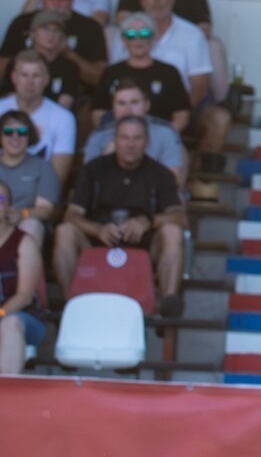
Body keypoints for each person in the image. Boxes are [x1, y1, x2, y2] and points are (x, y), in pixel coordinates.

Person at [54, 115, 187, 317]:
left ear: (147, 142)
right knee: (64, 231)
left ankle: (168, 303)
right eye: (124, 138)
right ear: (115, 140)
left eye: (136, 138)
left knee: (173, 231)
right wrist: (98, 229)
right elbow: (71, 215)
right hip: (97, 244)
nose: (130, 145)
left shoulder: (161, 174)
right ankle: (70, 304)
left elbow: (179, 217)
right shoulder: (93, 170)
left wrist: (149, 221)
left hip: (144, 246)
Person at [110, 0, 231, 165]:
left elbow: (199, 85)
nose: (157, 0)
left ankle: (201, 182)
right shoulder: (125, 33)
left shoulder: (192, 34)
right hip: (130, 110)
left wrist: (179, 114)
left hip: (180, 108)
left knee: (219, 118)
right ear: (142, 0)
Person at [117, 0, 231, 103]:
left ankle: (221, 101)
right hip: (141, 41)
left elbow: (204, 28)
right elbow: (121, 20)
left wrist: (178, 37)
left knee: (213, 45)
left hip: (181, 45)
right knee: (112, 33)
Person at [0, 0, 108, 88]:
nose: (57, 4)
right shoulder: (22, 23)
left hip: (75, 99)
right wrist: (34, 52)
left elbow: (100, 78)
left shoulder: (90, 27)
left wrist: (68, 54)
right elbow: (1, 71)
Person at [93, 13, 191, 131]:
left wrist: (164, 139)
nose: (138, 39)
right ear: (123, 40)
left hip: (160, 139)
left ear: (153, 38)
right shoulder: (111, 72)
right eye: (131, 34)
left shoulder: (169, 72)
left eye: (145, 33)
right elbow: (98, 114)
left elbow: (181, 115)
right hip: (119, 140)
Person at [84, 79, 186, 189]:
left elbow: (172, 183)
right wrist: (107, 158)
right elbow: (88, 184)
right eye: (121, 103)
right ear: (113, 108)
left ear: (147, 105)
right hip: (109, 200)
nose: (128, 110)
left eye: (134, 102)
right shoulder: (99, 136)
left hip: (154, 198)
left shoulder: (166, 133)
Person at [0, 50, 77, 186]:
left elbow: (56, 181)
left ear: (46, 79)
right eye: (24, 75)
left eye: (36, 76)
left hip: (38, 198)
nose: (29, 82)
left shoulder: (64, 118)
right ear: (14, 78)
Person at [0, 180, 46, 374]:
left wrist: (0, 314)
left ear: (9, 206)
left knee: (10, 323)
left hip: (22, 319)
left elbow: (24, 296)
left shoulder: (24, 242)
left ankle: (5, 397)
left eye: (1, 199)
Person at [0, 111, 60, 247]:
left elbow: (46, 210)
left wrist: (22, 213)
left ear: (29, 135)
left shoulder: (42, 166)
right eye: (8, 131)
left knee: (31, 224)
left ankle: (25, 267)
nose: (15, 136)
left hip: (26, 220)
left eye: (22, 131)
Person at [0, 10, 82, 110]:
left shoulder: (69, 67)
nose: (51, 35)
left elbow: (66, 101)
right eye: (45, 29)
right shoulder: (17, 62)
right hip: (19, 118)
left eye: (56, 30)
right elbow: (9, 97)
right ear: (33, 33)